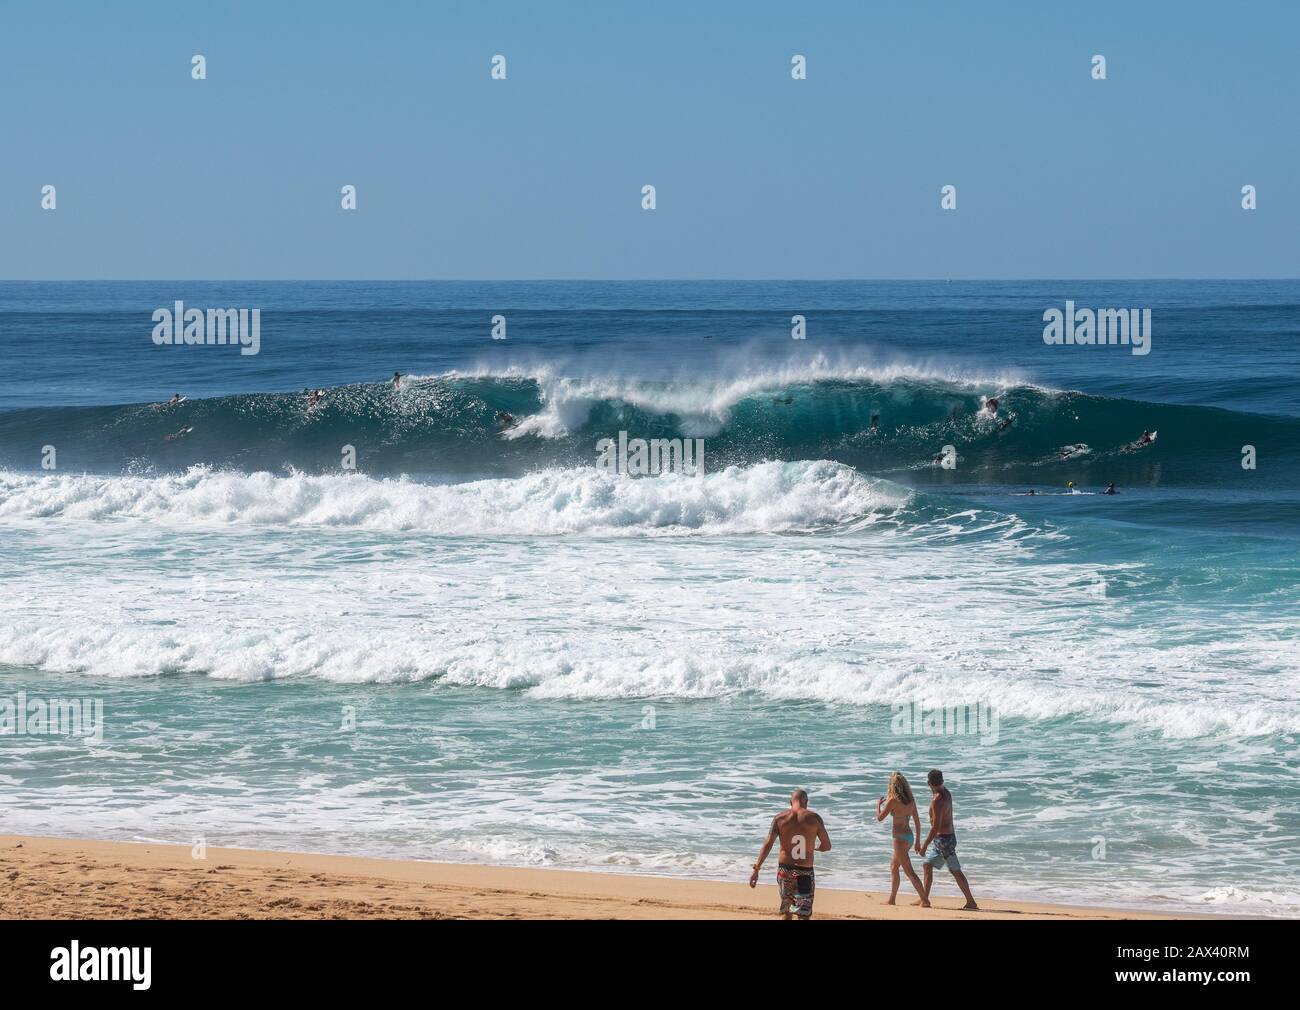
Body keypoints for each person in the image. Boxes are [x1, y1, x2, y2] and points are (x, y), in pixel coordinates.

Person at [748, 788, 831, 920]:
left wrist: (756, 869)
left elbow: (768, 844)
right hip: (804, 872)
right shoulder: (814, 818)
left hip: (784, 870)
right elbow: (827, 846)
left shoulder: (780, 818)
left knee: (787, 912)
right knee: (803, 914)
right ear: (806, 801)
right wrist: (816, 848)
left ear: (790, 802)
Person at [918, 769, 978, 910]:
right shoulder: (946, 792)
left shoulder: (937, 799)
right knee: (927, 865)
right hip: (946, 838)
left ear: (928, 783)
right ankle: (924, 899)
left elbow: (935, 827)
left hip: (943, 841)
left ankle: (971, 902)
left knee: (955, 870)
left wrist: (924, 846)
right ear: (942, 781)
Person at [876, 771, 929, 907]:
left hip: (899, 839)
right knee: (894, 867)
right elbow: (917, 822)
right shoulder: (911, 800)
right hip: (909, 837)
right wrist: (917, 841)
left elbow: (880, 818)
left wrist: (878, 805)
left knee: (909, 871)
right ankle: (892, 899)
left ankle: (925, 900)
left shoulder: (893, 801)